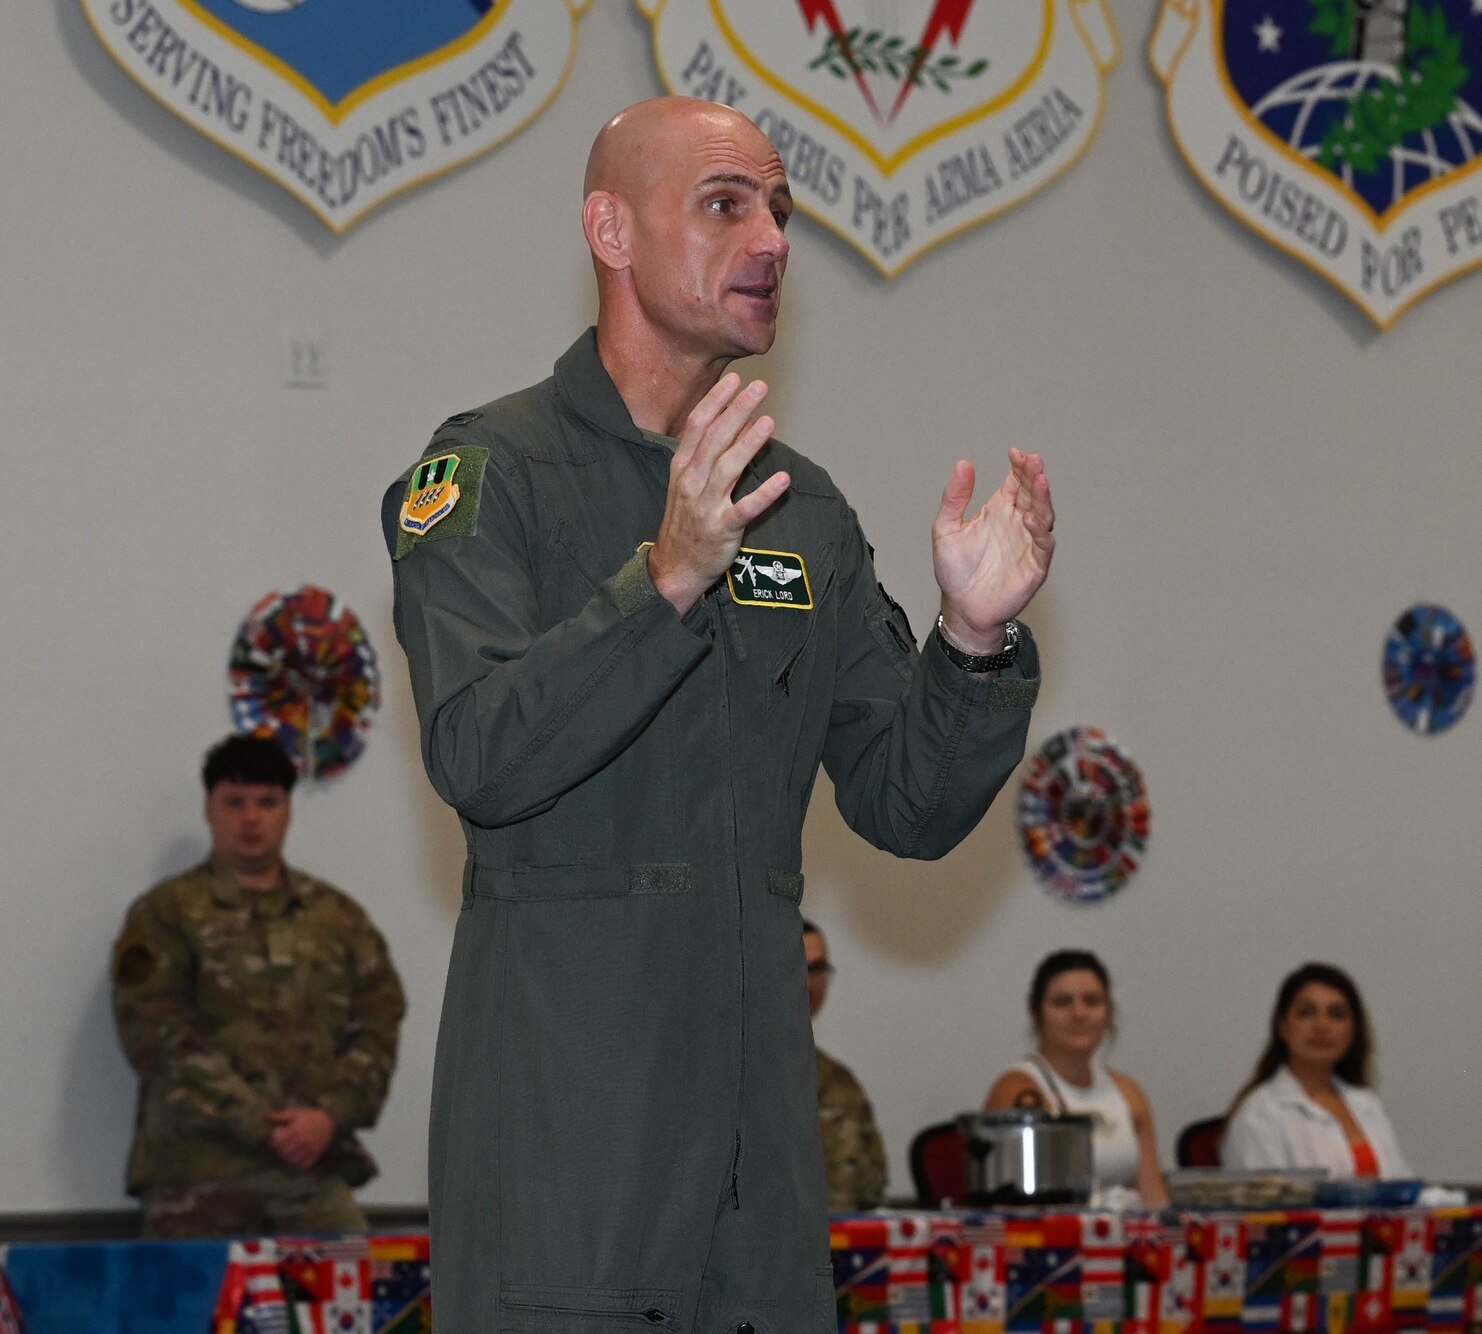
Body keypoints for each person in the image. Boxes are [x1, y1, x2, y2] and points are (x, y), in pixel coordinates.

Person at [381, 97, 1052, 1333]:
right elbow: (478, 750)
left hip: (759, 1180)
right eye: (726, 203)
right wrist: (667, 578)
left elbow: (904, 805)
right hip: (568, 1163)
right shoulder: (486, 475)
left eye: (783, 211)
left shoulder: (800, 510)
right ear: (610, 230)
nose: (775, 240)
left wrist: (972, 641)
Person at [111, 734, 406, 1239]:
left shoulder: (338, 919)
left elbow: (378, 1022)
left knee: (357, 1305)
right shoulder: (166, 914)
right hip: (197, 1177)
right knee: (188, 1317)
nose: (251, 819)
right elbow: (156, 1034)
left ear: (288, 809)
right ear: (209, 808)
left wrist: (329, 1116)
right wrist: (256, 1122)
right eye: (235, 802)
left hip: (310, 1173)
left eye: (267, 802)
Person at [983, 950, 1169, 1209]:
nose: (1079, 1013)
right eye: (1062, 1002)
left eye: (1092, 1001)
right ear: (1036, 1012)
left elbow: (1156, 1203)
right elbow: (1019, 1211)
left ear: (1108, 1012)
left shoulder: (1128, 1093)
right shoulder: (1018, 1091)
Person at [1221, 962, 1410, 1179]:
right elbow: (1264, 1205)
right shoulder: (1260, 1115)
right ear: (1282, 1027)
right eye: (1307, 1013)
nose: (1322, 1025)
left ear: (1354, 1030)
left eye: (1337, 1014)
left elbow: (1402, 1184)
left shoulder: (1367, 1103)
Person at [803, 920, 888, 1212]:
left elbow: (870, 1192)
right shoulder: (731, 1076)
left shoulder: (840, 1084)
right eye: (795, 967)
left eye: (818, 969)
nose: (809, 982)